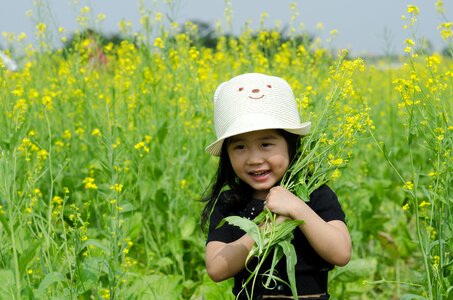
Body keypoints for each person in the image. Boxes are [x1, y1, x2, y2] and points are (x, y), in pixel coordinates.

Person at [201, 73, 352, 299]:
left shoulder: (315, 194)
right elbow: (216, 268)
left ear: (290, 144)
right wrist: (267, 227)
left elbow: (341, 253)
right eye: (240, 147)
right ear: (226, 155)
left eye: (266, 144)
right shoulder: (230, 203)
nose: (254, 159)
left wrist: (297, 208)